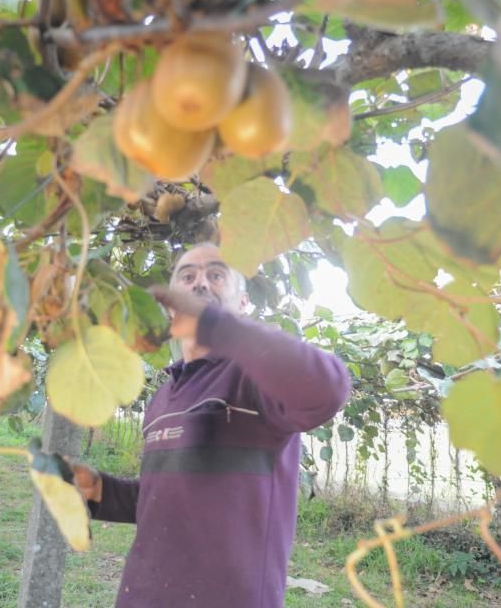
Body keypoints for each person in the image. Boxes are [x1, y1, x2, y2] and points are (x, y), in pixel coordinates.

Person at [70, 243, 351, 607]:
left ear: (243, 304)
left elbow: (327, 389)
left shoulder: (255, 379)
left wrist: (223, 330)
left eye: (216, 275)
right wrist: (101, 493)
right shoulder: (163, 396)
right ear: (170, 305)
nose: (200, 284)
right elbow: (161, 497)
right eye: (187, 277)